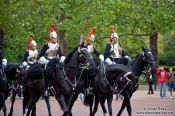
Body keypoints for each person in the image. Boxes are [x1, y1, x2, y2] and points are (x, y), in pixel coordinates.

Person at [82, 27, 104, 94]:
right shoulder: (84, 47)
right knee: (86, 71)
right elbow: (82, 55)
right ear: (88, 40)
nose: (91, 42)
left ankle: (95, 85)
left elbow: (97, 53)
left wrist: (100, 55)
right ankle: (86, 87)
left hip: (91, 62)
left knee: (98, 68)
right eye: (91, 41)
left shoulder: (92, 47)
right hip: (85, 62)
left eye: (92, 41)